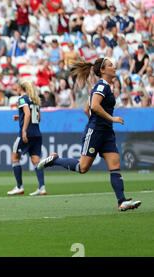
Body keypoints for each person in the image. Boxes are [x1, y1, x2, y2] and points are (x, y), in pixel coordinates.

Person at [37, 57, 142, 212]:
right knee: (83, 168)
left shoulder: (103, 86)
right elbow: (94, 106)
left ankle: (122, 201)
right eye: (111, 65)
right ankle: (55, 160)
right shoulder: (101, 86)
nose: (114, 67)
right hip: (96, 132)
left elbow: (87, 110)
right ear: (103, 70)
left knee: (115, 165)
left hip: (106, 133)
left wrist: (100, 122)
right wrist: (107, 120)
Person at [7, 80, 46, 196]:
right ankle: (42, 187)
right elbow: (38, 118)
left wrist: (23, 130)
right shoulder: (35, 100)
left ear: (21, 88)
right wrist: (20, 118)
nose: (16, 89)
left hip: (27, 133)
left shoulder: (22, 99)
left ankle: (19, 186)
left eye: (18, 87)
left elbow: (28, 114)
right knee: (35, 160)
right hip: (37, 133)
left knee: (15, 157)